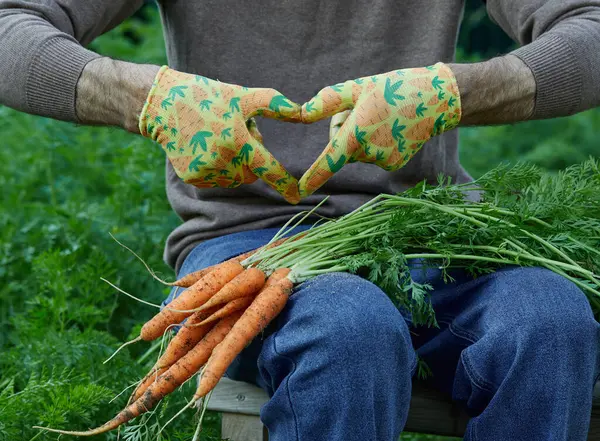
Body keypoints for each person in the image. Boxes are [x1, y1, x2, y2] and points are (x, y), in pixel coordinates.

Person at [1, 1, 599, 439]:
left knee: (549, 322)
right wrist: (146, 97)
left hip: (429, 229)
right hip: (250, 246)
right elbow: (10, 26)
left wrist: (453, 91)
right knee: (349, 329)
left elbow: (589, 27)